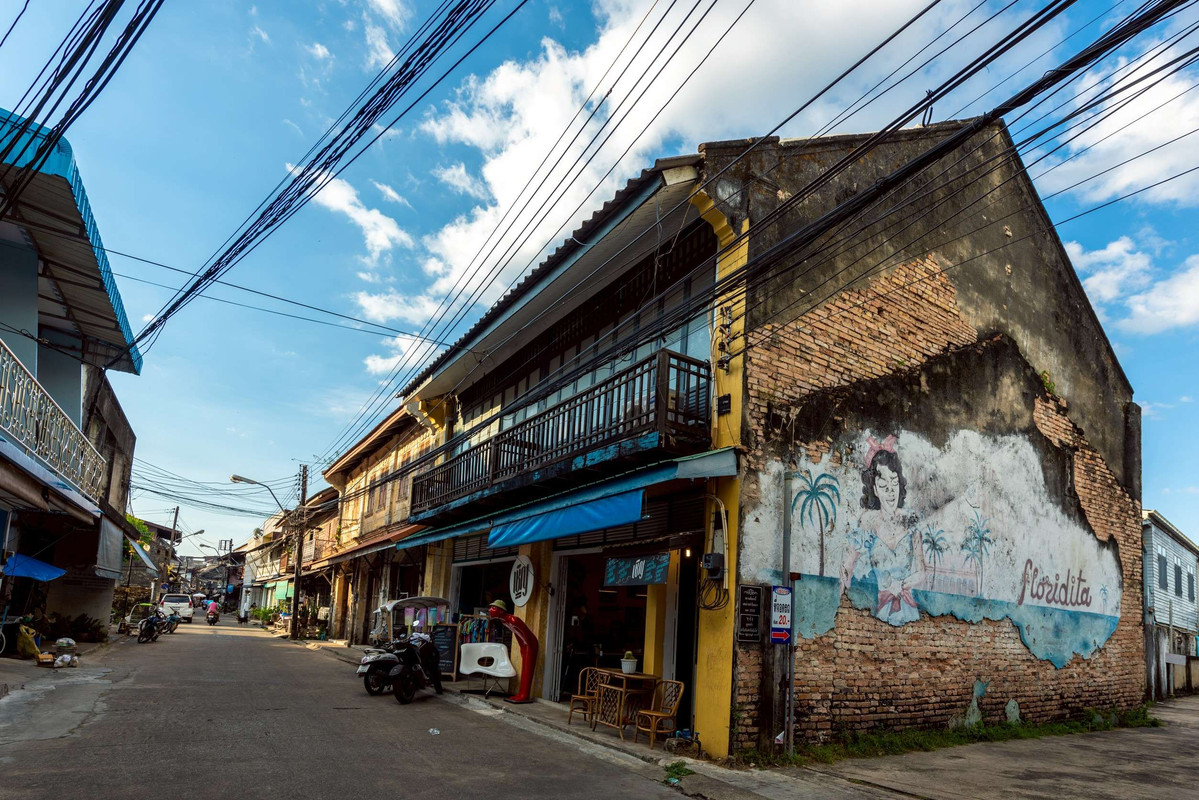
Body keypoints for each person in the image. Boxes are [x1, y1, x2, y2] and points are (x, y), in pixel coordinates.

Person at [839, 434, 924, 626]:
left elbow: (922, 572)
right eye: (884, 485)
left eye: (894, 483)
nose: (891, 491)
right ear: (875, 490)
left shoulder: (911, 520)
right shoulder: (868, 521)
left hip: (909, 612)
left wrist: (901, 585)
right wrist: (841, 600)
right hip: (878, 612)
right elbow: (847, 566)